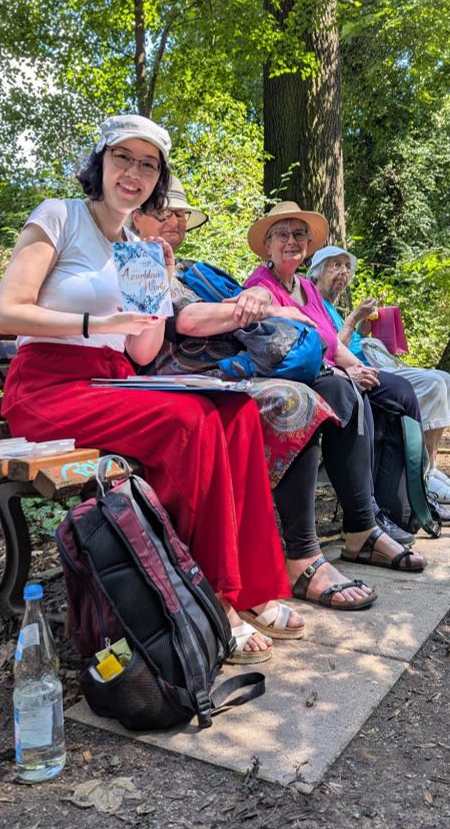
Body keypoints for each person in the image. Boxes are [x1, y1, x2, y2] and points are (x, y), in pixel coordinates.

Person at [0, 115, 304, 664]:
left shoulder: (138, 245)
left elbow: (140, 352)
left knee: (233, 412)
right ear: (101, 163)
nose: (133, 172)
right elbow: (7, 312)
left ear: (156, 178)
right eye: (123, 158)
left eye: (148, 164)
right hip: (46, 388)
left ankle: (248, 587)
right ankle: (211, 597)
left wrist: (156, 287)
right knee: (191, 423)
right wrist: (95, 327)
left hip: (112, 380)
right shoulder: (59, 217)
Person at [132, 190, 425, 613]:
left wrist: (262, 312)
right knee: (295, 399)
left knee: (341, 388)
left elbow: (290, 328)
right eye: (163, 213)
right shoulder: (139, 266)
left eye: (180, 214)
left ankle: (361, 528)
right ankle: (303, 557)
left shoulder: (196, 270)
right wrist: (263, 308)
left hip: (235, 368)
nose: (174, 221)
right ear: (137, 214)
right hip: (193, 377)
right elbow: (190, 322)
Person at [244, 201, 427, 590]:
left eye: (298, 235)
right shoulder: (261, 285)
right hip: (280, 378)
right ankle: (351, 531)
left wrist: (351, 366)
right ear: (267, 245)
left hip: (324, 374)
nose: (291, 242)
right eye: (282, 235)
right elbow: (270, 344)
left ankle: (367, 525)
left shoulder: (307, 287)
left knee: (362, 393)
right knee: (338, 396)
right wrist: (343, 371)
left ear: (308, 244)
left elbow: (330, 341)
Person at [308, 245, 450, 508]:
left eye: (346, 267)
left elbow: (352, 341)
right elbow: (331, 350)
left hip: (373, 360)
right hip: (359, 371)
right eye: (335, 265)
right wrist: (352, 320)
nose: (343, 272)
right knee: (434, 383)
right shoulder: (314, 303)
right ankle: (421, 475)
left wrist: (363, 328)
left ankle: (430, 466)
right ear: (316, 273)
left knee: (445, 378)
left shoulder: (332, 306)